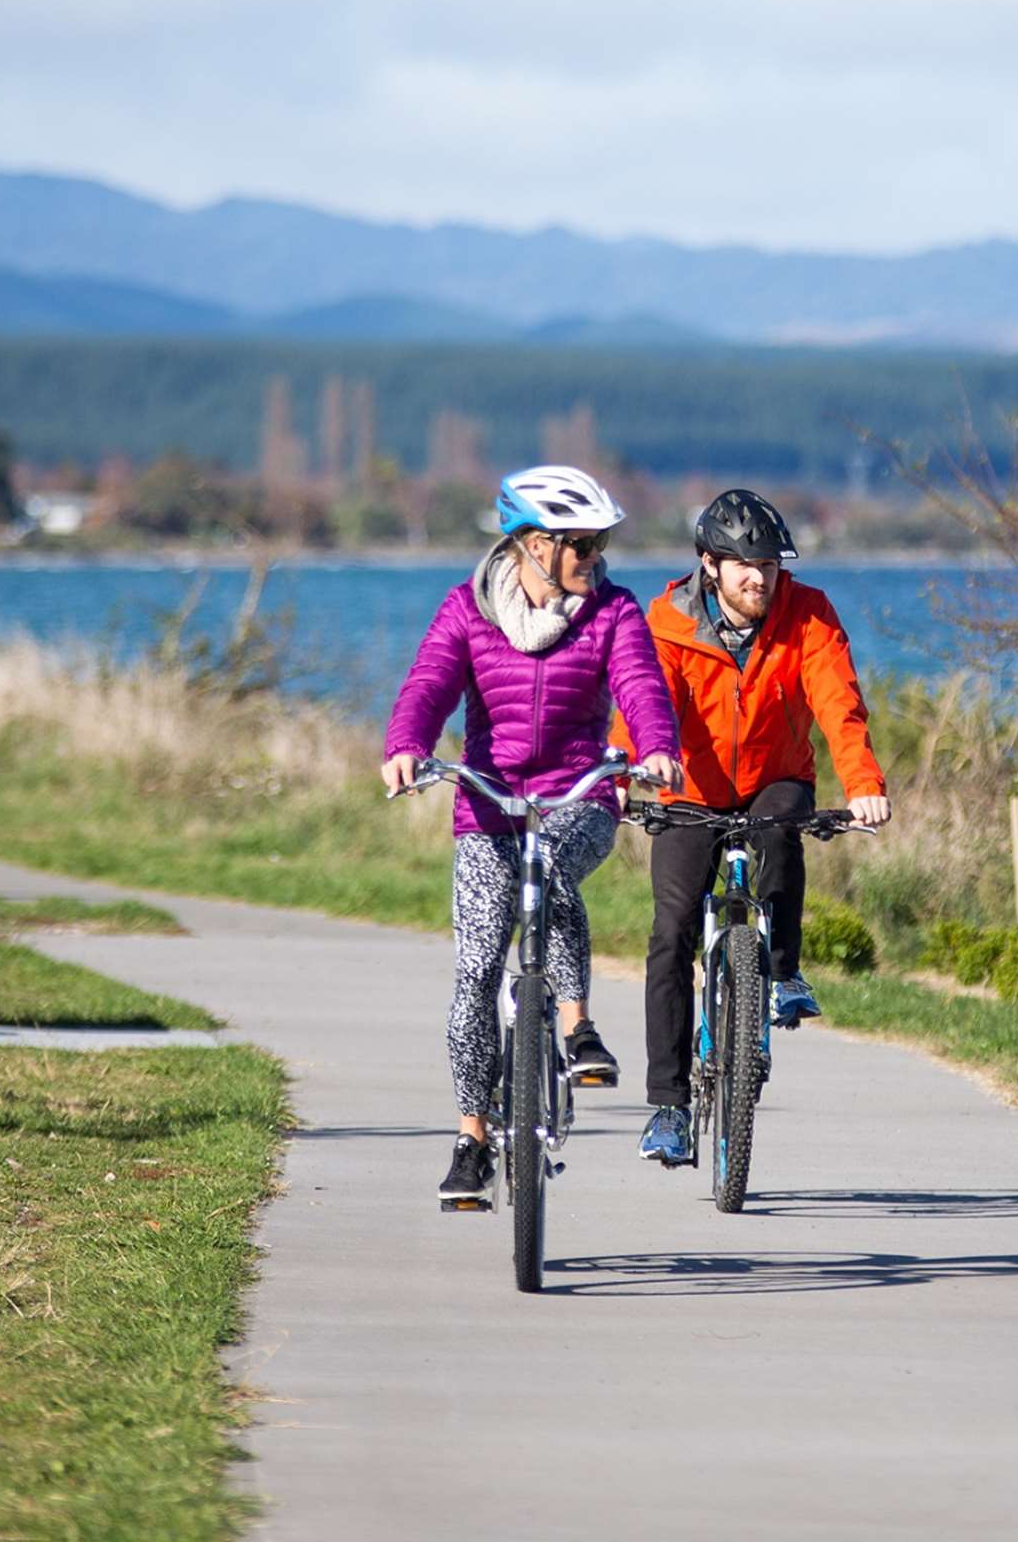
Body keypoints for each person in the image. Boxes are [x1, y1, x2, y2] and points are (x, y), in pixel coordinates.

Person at [382, 464, 682, 1209]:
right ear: (533, 545)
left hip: (579, 793)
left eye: (600, 543)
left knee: (550, 865)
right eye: (580, 545)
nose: (594, 558)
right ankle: (472, 1138)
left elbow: (641, 685)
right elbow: (429, 684)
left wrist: (655, 747)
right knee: (478, 969)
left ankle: (578, 1028)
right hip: (488, 802)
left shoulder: (613, 611)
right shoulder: (467, 609)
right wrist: (406, 745)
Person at [621, 488, 892, 1168]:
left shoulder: (809, 615)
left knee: (779, 832)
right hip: (691, 787)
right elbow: (648, 702)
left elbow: (839, 705)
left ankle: (782, 972)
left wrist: (862, 785)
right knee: (672, 928)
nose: (759, 578)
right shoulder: (669, 622)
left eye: (770, 564)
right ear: (708, 565)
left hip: (775, 773)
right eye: (744, 565)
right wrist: (633, 767)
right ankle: (669, 1107)